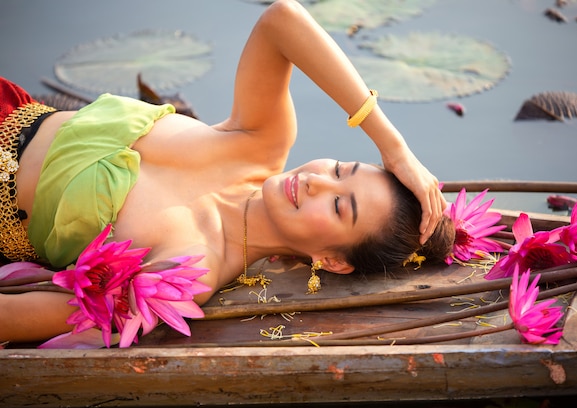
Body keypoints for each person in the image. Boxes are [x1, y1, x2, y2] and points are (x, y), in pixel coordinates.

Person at [0, 0, 452, 344]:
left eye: (339, 205)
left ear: (332, 261)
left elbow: (43, 314)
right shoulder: (263, 140)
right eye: (339, 168)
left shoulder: (186, 275)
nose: (318, 180)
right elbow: (281, 18)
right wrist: (393, 146)